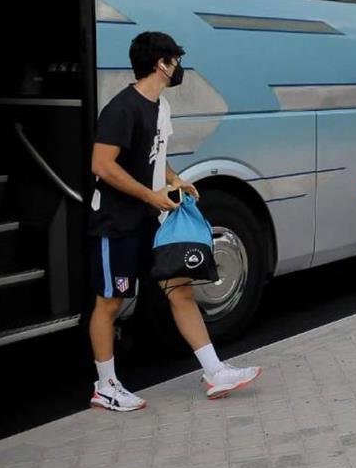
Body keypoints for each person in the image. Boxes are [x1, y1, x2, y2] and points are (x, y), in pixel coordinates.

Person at [88, 31, 261, 411]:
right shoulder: (122, 109)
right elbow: (101, 165)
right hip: (116, 223)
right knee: (111, 302)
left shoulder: (159, 107)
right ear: (160, 64)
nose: (178, 66)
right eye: (175, 60)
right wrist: (151, 195)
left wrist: (175, 179)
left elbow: (155, 154)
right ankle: (106, 386)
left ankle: (214, 371)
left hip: (152, 218)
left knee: (180, 287)